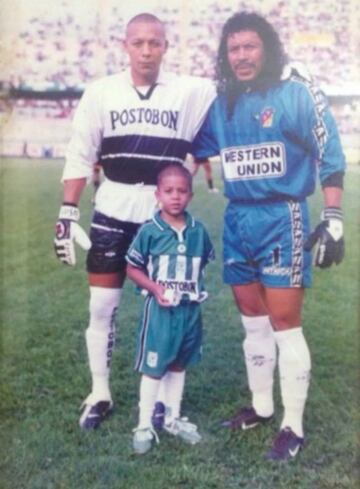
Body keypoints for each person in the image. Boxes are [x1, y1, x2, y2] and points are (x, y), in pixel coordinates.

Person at [192, 12, 345, 461]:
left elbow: (329, 155)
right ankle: (261, 406)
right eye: (233, 49)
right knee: (252, 321)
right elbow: (193, 149)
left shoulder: (295, 95)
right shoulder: (224, 105)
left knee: (284, 323)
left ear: (267, 49)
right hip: (239, 220)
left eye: (250, 47)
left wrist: (333, 215)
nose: (241, 56)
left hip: (283, 216)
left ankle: (292, 424)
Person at [53, 13, 216, 430]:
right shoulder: (101, 92)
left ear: (165, 46)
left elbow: (236, 88)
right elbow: (79, 152)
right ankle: (100, 391)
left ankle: (161, 398)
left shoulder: (191, 91)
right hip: (112, 207)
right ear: (125, 46)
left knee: (164, 305)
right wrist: (67, 211)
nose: (146, 50)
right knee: (102, 305)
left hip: (161, 217)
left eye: (155, 43)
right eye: (138, 43)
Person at [126, 163, 215, 454]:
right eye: (168, 191)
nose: (175, 196)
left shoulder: (198, 230)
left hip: (189, 311)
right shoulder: (150, 231)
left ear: (190, 195)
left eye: (182, 191)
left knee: (178, 364)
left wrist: (192, 290)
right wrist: (155, 288)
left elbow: (202, 264)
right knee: (154, 367)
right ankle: (143, 423)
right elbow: (132, 268)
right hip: (160, 312)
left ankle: (172, 418)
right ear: (157, 195)